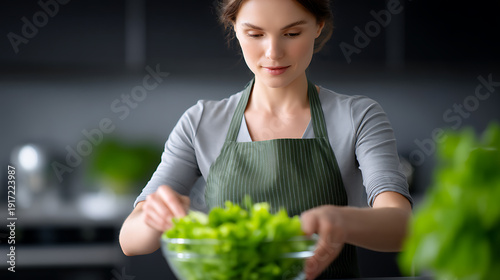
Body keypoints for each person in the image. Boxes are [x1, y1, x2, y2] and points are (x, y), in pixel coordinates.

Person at [119, 0, 413, 279]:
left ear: (318, 26)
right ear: (234, 27)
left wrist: (340, 220)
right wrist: (153, 216)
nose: (273, 52)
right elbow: (131, 241)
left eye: (292, 33)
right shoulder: (201, 121)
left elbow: (402, 227)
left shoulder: (358, 116)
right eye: (255, 34)